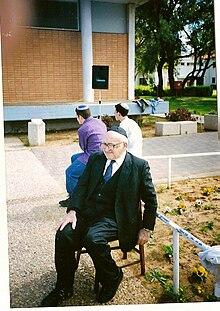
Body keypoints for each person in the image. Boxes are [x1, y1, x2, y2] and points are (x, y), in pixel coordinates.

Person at [41, 126, 158, 307]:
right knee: (63, 234)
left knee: (93, 238)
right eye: (104, 143)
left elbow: (151, 201)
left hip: (116, 218)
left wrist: (146, 228)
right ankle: (63, 287)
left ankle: (112, 276)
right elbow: (82, 185)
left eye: (112, 145)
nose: (106, 149)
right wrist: (73, 211)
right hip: (88, 214)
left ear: (125, 145)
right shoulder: (96, 158)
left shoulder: (139, 167)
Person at [59, 104, 107, 207]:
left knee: (70, 172)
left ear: (80, 117)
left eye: (77, 117)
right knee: (74, 158)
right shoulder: (99, 122)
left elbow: (83, 147)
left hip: (92, 157)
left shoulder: (83, 129)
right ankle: (83, 184)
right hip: (103, 153)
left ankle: (75, 198)